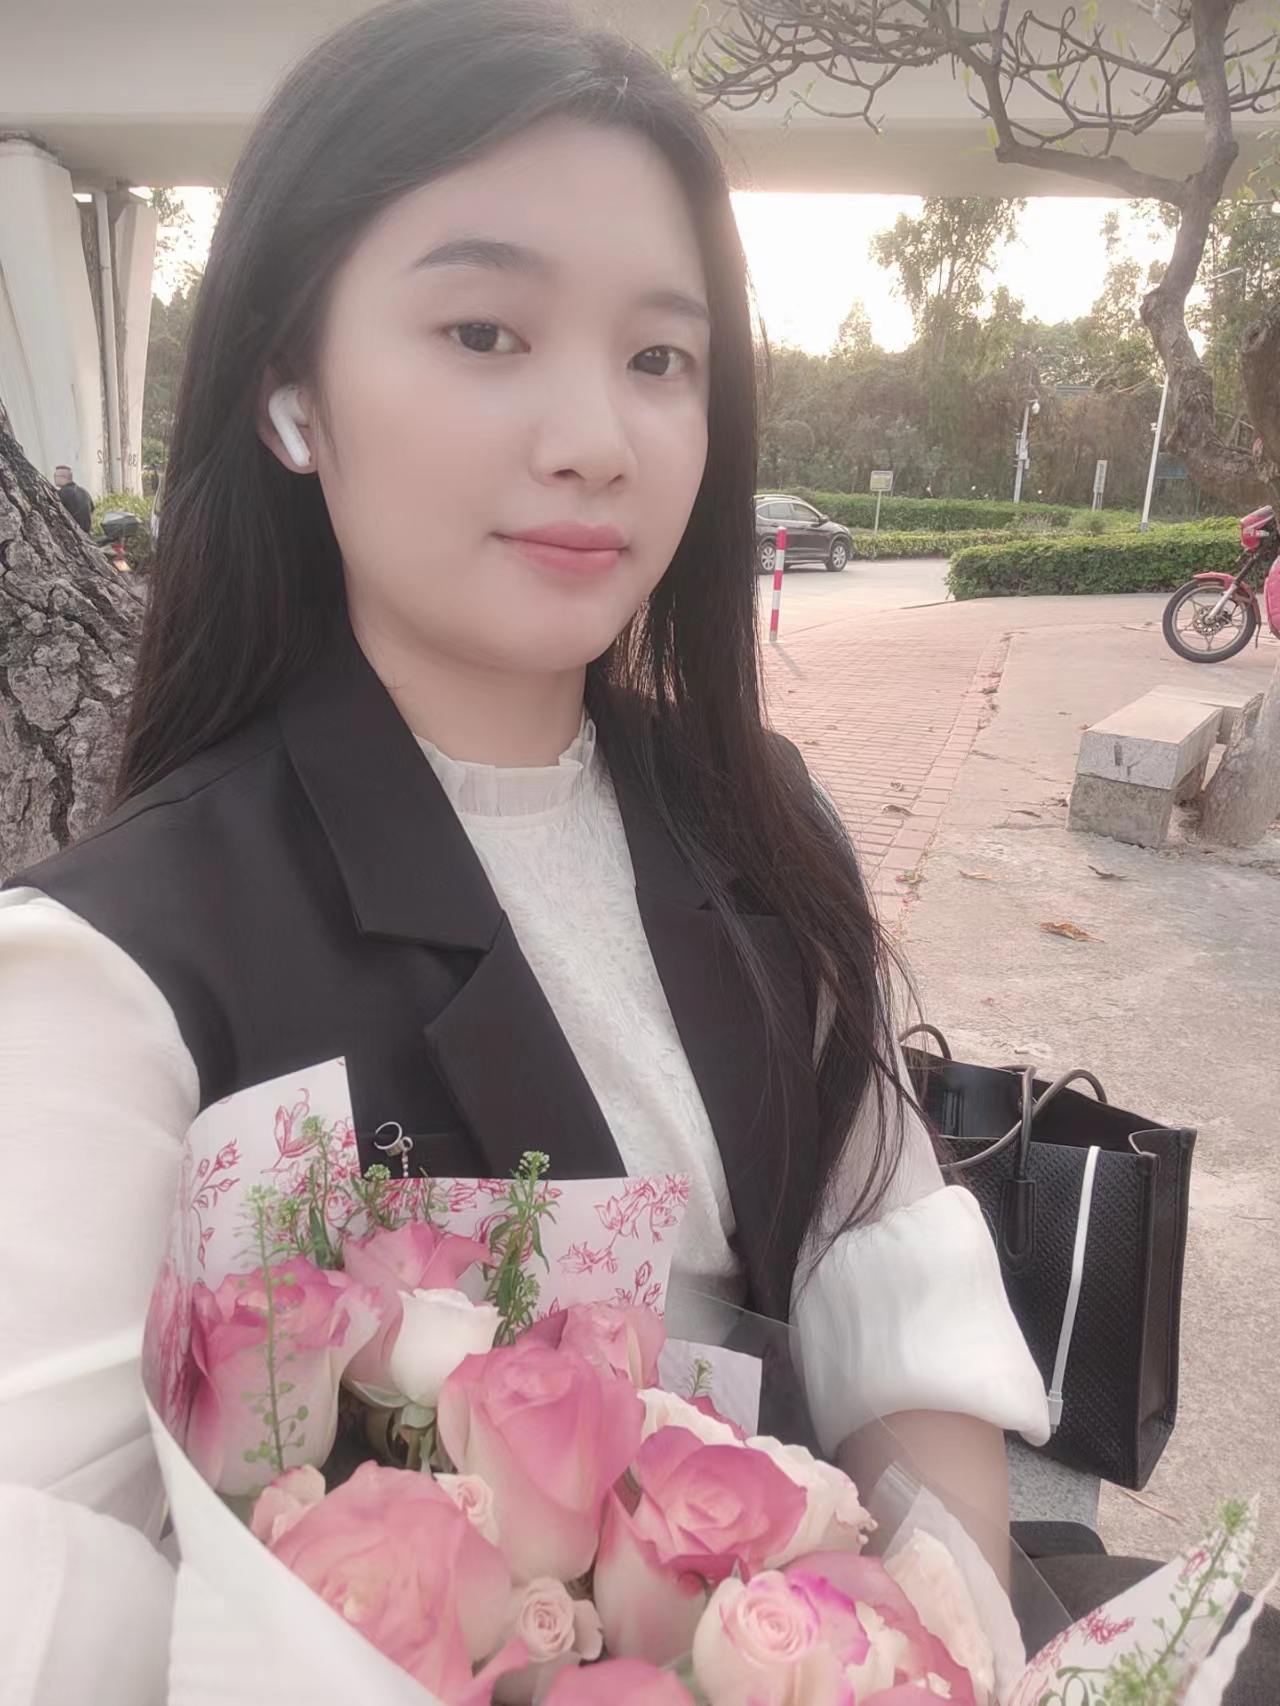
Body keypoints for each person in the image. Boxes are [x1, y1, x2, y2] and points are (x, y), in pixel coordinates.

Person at [0, 3, 1269, 1701]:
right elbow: (54, 1584)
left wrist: (932, 1648)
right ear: (291, 390)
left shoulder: (759, 817)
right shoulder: (110, 971)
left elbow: (885, 1272)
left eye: (662, 358)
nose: (598, 434)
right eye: (485, 331)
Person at [52, 462, 93, 532]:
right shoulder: (84, 492)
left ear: (63, 477)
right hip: (86, 534)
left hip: (72, 533)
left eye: (55, 476)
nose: (54, 479)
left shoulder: (61, 494)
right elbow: (92, 514)